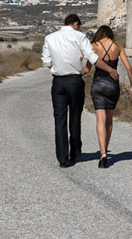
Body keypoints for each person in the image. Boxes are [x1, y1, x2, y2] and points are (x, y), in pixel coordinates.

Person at [41, 14, 99, 168]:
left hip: (58, 81)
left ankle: (62, 158)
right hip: (74, 80)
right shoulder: (80, 36)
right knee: (75, 117)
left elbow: (46, 60)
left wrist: (54, 68)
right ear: (75, 23)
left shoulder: (50, 37)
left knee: (59, 120)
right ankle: (75, 152)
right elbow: (91, 56)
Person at [89, 25, 132, 169]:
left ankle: (103, 152)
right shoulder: (118, 46)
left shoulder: (93, 46)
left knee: (100, 119)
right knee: (109, 120)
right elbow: (128, 67)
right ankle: (105, 153)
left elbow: (87, 68)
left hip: (98, 85)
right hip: (112, 86)